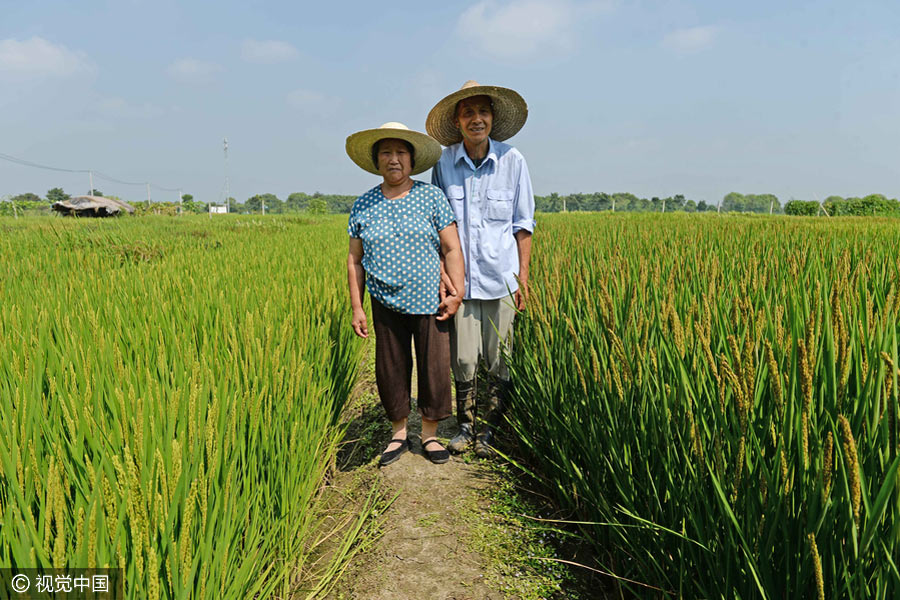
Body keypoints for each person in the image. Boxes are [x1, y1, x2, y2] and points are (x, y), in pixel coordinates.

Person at [345, 122, 466, 467]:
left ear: (412, 160)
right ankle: (399, 432)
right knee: (390, 368)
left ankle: (429, 434)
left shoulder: (431, 197)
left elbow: (452, 248)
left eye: (400, 152)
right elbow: (355, 259)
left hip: (431, 298)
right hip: (384, 300)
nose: (393, 159)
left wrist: (456, 293)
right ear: (376, 160)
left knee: (434, 367)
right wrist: (357, 306)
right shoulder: (363, 205)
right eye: (386, 152)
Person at [426, 81, 535, 458]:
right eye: (468, 113)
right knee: (464, 358)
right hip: (460, 283)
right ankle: (465, 427)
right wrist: (442, 274)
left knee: (500, 358)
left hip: (501, 278)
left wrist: (523, 279)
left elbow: (523, 225)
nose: (477, 119)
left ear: (492, 118)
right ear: (457, 121)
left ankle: (491, 431)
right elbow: (438, 225)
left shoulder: (513, 161)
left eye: (483, 112)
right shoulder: (443, 163)